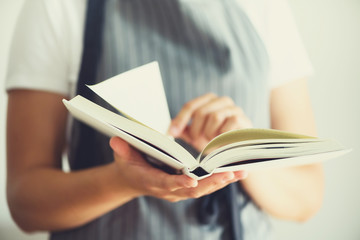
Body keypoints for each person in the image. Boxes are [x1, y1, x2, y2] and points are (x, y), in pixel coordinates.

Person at [5, 0, 324, 239]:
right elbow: (25, 202)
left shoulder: (265, 6)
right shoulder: (58, 6)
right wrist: (121, 182)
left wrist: (240, 157)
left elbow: (307, 196)